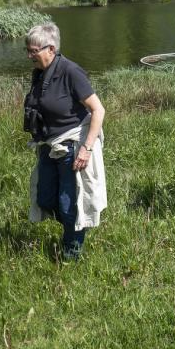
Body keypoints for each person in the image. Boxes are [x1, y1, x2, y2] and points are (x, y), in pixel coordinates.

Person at [23, 23, 107, 261]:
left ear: (50, 49)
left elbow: (98, 110)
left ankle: (71, 253)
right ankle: (74, 228)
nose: (29, 56)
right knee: (45, 198)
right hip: (49, 146)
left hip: (72, 146)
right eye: (27, 50)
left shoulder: (71, 71)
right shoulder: (41, 73)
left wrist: (86, 148)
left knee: (69, 205)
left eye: (33, 51)